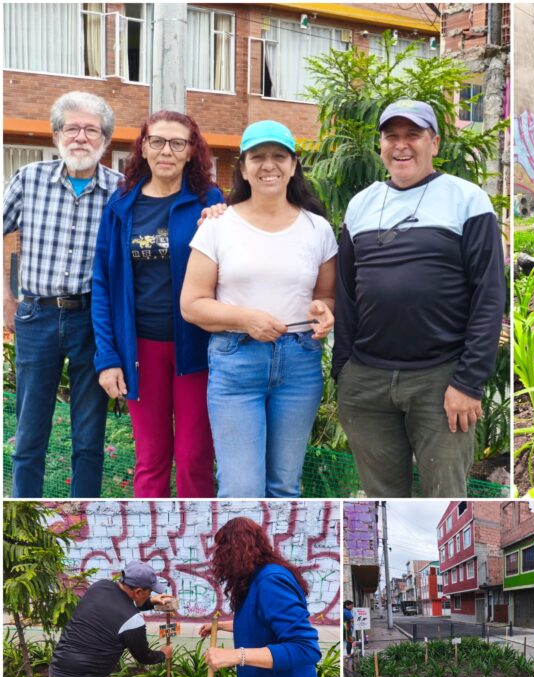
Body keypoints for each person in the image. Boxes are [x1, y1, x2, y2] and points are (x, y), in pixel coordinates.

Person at [332, 99, 506, 497]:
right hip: (366, 383)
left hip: (440, 382)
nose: (401, 145)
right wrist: (344, 370)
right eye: (391, 136)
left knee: (443, 497)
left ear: (435, 143)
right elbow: (345, 292)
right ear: (381, 145)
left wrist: (468, 382)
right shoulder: (361, 205)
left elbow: (489, 294)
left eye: (413, 134)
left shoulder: (466, 199)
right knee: (383, 499)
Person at [180, 120, 336, 497]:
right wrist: (245, 319)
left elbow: (327, 297)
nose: (269, 165)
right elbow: (192, 305)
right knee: (240, 488)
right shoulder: (218, 226)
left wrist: (325, 310)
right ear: (244, 168)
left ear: (293, 165)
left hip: (300, 363)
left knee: (285, 486)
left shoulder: (318, 229)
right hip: (236, 361)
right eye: (258, 157)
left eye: (279, 156)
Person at [91, 112, 224, 497]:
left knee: (194, 456)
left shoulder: (208, 201)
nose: (167, 150)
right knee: (151, 458)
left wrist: (222, 219)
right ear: (144, 148)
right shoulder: (121, 205)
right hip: (140, 350)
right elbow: (103, 282)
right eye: (157, 141)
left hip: (195, 348)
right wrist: (108, 358)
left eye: (177, 143)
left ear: (190, 152)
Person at [2, 91, 121, 496]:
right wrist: (4, 294)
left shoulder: (120, 191)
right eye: (72, 128)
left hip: (93, 320)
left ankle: (81, 516)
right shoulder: (29, 179)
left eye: (92, 130)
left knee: (89, 437)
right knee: (29, 431)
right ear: (56, 135)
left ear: (105, 139)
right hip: (37, 316)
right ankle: (24, 516)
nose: (81, 138)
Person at [199, 516, 322, 677]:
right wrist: (223, 626)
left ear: (236, 549)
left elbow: (305, 648)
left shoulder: (270, 581)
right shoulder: (253, 579)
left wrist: (235, 655)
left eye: (222, 549)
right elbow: (262, 621)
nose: (217, 557)